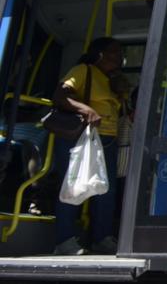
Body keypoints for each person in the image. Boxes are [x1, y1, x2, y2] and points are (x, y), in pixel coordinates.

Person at [51, 37, 125, 256]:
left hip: (108, 140)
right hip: (82, 138)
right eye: (115, 52)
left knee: (105, 191)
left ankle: (101, 238)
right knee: (73, 187)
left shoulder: (110, 79)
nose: (120, 57)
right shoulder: (84, 70)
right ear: (100, 54)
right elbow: (59, 96)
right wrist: (87, 110)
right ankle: (64, 241)